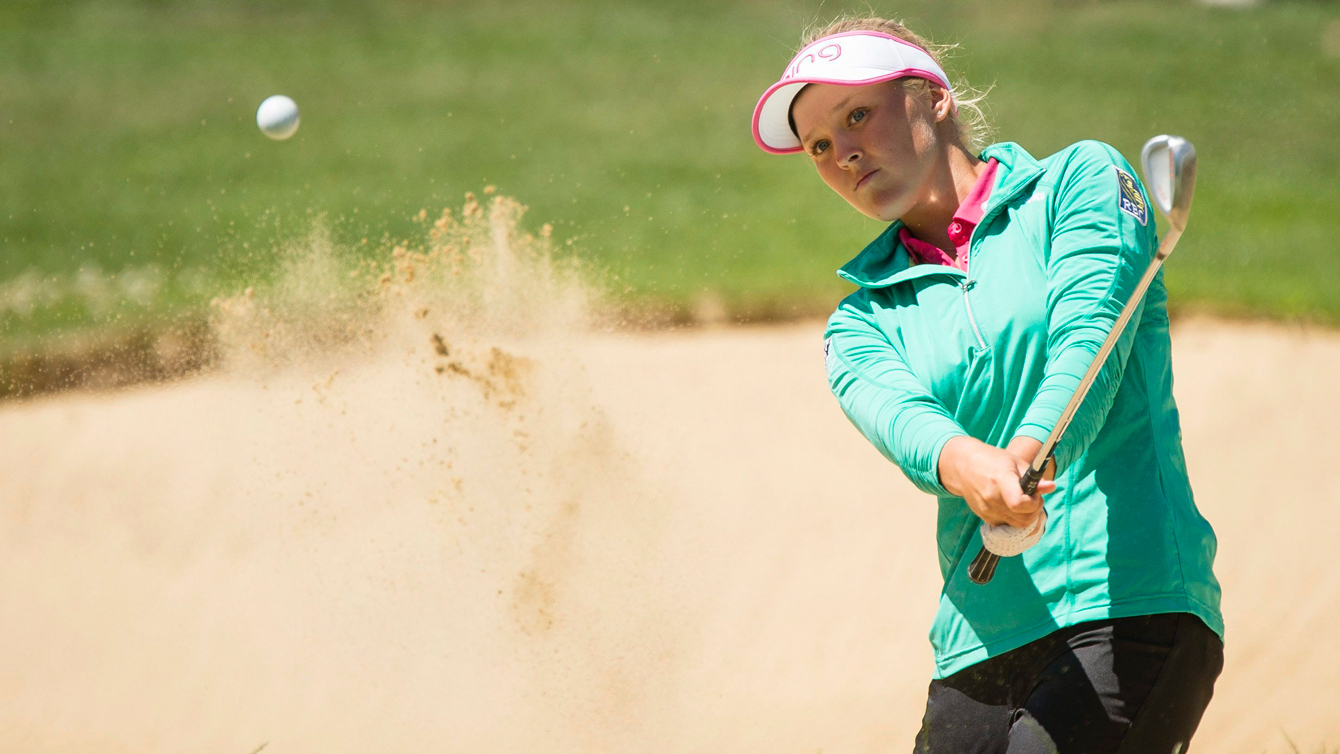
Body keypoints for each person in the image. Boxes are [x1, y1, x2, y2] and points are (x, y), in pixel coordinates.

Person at [750, 17, 1224, 753]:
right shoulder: (860, 322)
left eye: (856, 116)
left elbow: (1089, 339)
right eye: (818, 145)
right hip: (978, 643)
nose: (842, 152)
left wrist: (1034, 450)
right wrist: (978, 470)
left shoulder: (1080, 182)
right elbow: (911, 430)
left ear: (932, 99)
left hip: (1129, 601)